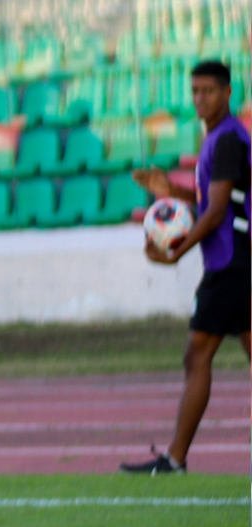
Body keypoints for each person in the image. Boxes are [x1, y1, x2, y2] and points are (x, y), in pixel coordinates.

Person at [121, 60, 250, 475]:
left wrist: (176, 253)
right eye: (194, 91)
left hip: (232, 263)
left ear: (228, 93)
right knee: (205, 355)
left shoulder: (228, 138)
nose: (200, 98)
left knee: (196, 355)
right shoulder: (217, 138)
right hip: (236, 260)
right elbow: (217, 201)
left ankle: (175, 459)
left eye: (209, 90)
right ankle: (175, 458)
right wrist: (169, 190)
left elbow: (214, 215)